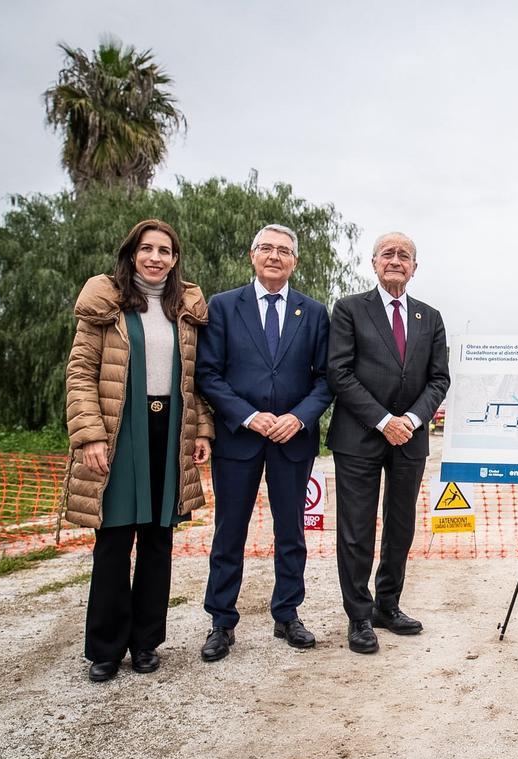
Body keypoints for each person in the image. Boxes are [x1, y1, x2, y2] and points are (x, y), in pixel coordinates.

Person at [64, 219, 213, 682]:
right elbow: (81, 373)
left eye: (165, 251)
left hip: (170, 431)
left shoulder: (185, 308)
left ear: (175, 259)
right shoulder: (105, 303)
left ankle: (147, 642)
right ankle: (105, 649)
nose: (155, 258)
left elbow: (196, 379)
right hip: (118, 430)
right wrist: (89, 435)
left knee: (158, 540)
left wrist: (203, 431)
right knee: (113, 540)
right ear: (132, 255)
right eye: (147, 249)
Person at [196, 224, 333, 660]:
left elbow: (327, 379)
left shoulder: (313, 313)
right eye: (266, 248)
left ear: (295, 260)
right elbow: (208, 374)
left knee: (291, 531)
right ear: (252, 255)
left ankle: (288, 613)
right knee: (229, 531)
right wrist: (251, 417)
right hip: (238, 439)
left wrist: (298, 417)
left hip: (293, 440)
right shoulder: (222, 306)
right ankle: (221, 621)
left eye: (284, 251)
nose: (275, 256)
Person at [327, 232, 450, 655]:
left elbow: (439, 379)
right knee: (356, 530)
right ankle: (359, 616)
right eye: (388, 253)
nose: (396, 260)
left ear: (415, 267)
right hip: (359, 436)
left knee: (400, 527)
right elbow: (339, 373)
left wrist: (412, 420)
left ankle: (388, 605)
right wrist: (383, 421)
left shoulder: (429, 318)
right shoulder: (348, 310)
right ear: (374, 262)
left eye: (405, 255)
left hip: (410, 441)